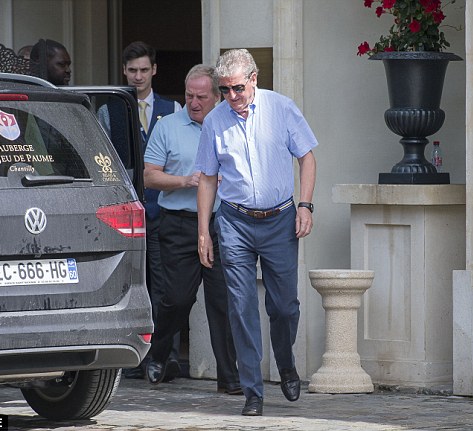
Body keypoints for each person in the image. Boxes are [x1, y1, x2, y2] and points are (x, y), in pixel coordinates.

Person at [195, 49, 318, 416]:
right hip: (234, 221)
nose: (231, 96)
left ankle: (285, 362)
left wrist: (305, 205)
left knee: (284, 306)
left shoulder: (281, 108)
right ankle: (252, 390)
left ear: (254, 79)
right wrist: (204, 231)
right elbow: (207, 178)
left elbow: (307, 157)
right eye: (224, 90)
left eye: (237, 88)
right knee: (242, 307)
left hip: (280, 218)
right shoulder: (215, 121)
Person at [144, 65, 241, 395]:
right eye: (188, 95)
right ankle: (157, 353)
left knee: (222, 301)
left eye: (201, 96)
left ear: (217, 97)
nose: (194, 102)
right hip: (178, 224)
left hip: (220, 224)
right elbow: (149, 176)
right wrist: (185, 180)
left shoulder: (230, 126)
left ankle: (229, 377)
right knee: (177, 298)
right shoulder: (168, 127)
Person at [97, 41, 182, 380]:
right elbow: (106, 163)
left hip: (165, 211)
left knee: (167, 290)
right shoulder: (109, 109)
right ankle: (130, 358)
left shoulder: (172, 108)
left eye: (144, 70)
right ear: (123, 71)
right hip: (125, 213)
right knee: (128, 285)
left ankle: (166, 357)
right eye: (132, 70)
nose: (138, 76)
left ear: (154, 70)